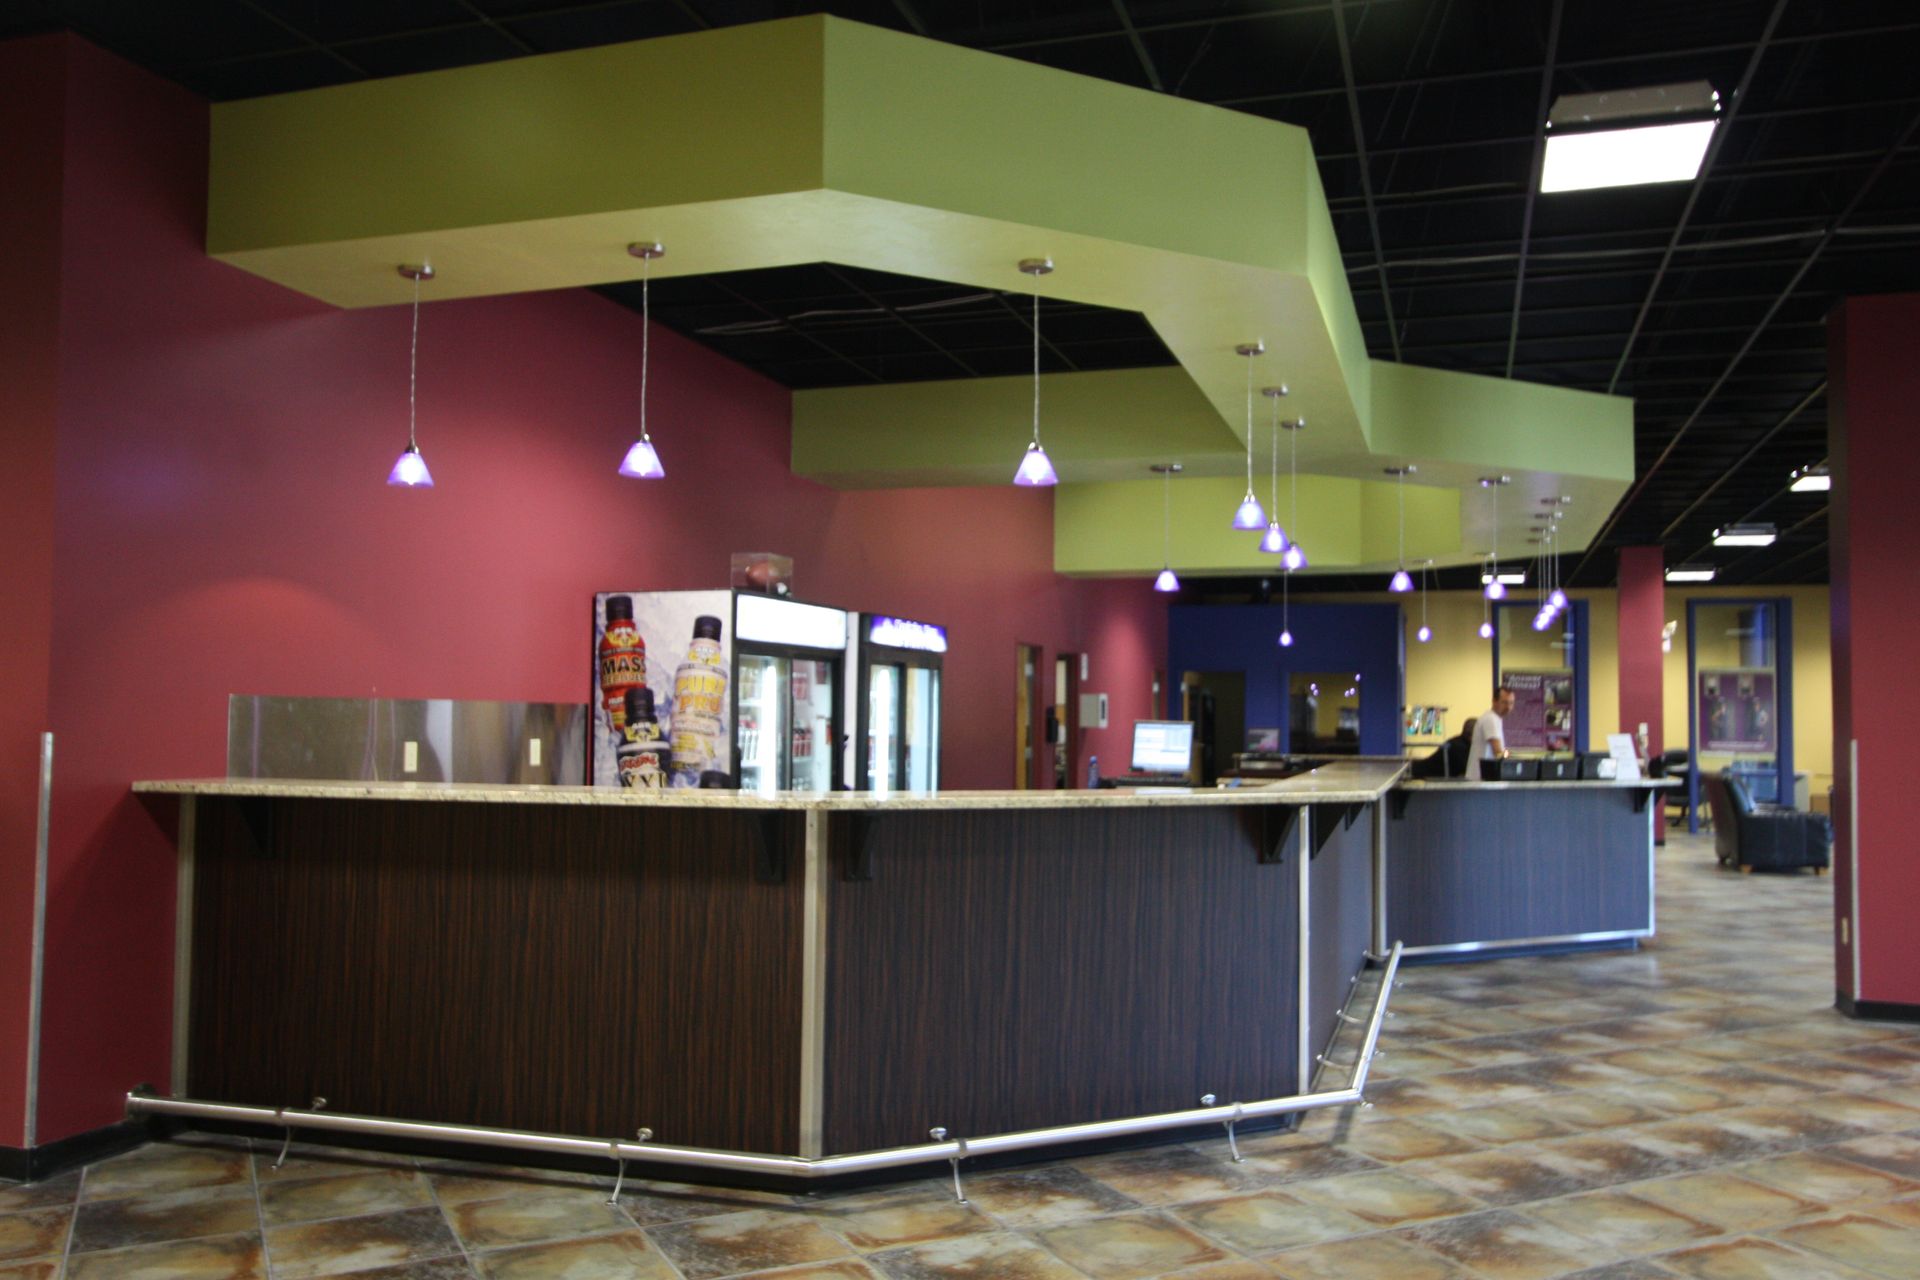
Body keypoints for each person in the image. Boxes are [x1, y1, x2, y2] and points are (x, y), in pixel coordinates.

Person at [1469, 685, 1515, 763]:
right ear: (1494, 701)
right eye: (1504, 702)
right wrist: (1510, 755)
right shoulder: (1491, 719)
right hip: (1483, 774)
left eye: (1511, 703)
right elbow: (1498, 753)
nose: (1508, 707)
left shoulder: (1494, 718)